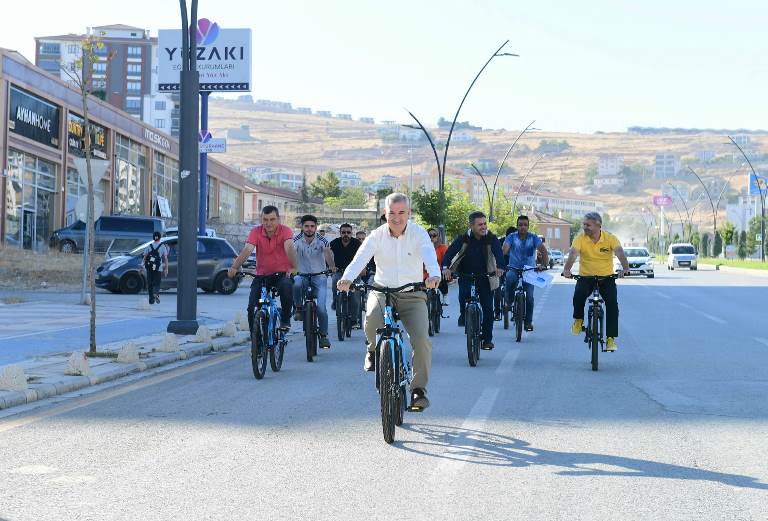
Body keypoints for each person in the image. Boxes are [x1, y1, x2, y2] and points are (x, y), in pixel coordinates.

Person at [337, 193, 440, 409]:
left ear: (409, 213)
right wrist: (347, 278)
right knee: (371, 321)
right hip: (382, 290)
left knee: (421, 339)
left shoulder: (418, 234)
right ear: (385, 213)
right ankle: (374, 350)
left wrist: (434, 275)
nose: (396, 217)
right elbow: (360, 259)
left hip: (412, 293)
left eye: (401, 212)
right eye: (392, 213)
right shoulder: (377, 235)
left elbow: (430, 256)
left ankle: (418, 390)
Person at [563, 212, 629, 352]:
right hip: (586, 277)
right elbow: (573, 254)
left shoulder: (610, 238)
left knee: (612, 303)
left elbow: (619, 252)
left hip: (606, 278)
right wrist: (567, 269)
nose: (584, 227)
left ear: (598, 225)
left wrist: (625, 268)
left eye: (588, 225)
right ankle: (579, 320)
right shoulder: (580, 238)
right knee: (578, 295)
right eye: (584, 224)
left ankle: (610, 339)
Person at [228, 205, 298, 332]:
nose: (268, 223)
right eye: (265, 220)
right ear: (261, 220)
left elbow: (289, 248)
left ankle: (285, 319)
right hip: (262, 275)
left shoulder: (286, 231)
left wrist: (294, 267)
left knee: (286, 287)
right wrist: (234, 267)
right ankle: (255, 340)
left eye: (272, 219)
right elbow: (247, 250)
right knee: (252, 308)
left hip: (281, 274)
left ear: (278, 219)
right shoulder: (256, 231)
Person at [442, 211, 504, 350]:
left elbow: (498, 253)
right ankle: (464, 315)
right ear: (472, 226)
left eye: (485, 223)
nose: (483, 227)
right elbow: (450, 252)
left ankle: (487, 340)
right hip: (466, 275)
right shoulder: (463, 238)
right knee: (463, 295)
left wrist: (500, 267)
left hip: (484, 276)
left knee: (488, 309)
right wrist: (445, 267)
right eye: (480, 224)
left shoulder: (491, 238)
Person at [292, 215, 335, 349]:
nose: (309, 229)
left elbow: (327, 254)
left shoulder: (323, 241)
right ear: (302, 227)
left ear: (316, 227)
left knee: (322, 308)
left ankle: (323, 336)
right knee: (296, 281)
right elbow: (291, 255)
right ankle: (298, 308)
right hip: (302, 275)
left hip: (319, 276)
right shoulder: (295, 240)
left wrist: (332, 266)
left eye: (312, 226)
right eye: (306, 226)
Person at [502, 215, 549, 332]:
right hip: (513, 268)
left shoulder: (533, 238)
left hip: (529, 270)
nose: (523, 227)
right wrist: (500, 264)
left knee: (530, 297)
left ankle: (528, 322)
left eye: (525, 225)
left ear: (528, 226)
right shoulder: (511, 237)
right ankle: (509, 300)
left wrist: (543, 265)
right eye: (520, 225)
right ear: (517, 226)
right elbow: (504, 250)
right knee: (509, 278)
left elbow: (543, 251)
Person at [329, 223, 362, 322]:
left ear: (352, 233)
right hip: (339, 271)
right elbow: (328, 254)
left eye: (348, 232)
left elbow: (362, 257)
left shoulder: (357, 243)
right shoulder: (334, 243)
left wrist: (363, 268)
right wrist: (331, 266)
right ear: (340, 233)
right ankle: (336, 300)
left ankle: (354, 319)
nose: (346, 234)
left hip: (354, 273)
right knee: (335, 279)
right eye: (343, 232)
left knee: (355, 296)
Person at [142, 231, 168, 304]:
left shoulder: (149, 246)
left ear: (153, 237)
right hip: (158, 268)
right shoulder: (162, 246)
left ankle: (151, 299)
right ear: (160, 238)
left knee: (150, 283)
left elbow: (145, 257)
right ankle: (156, 293)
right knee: (157, 282)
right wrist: (166, 268)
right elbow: (165, 258)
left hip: (149, 267)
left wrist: (141, 267)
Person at [426, 227, 450, 305]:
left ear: (438, 236)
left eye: (434, 235)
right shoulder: (423, 247)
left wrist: (443, 268)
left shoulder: (443, 247)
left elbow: (446, 261)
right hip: (426, 271)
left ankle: (445, 295)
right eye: (429, 236)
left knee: (441, 279)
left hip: (439, 271)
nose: (432, 238)